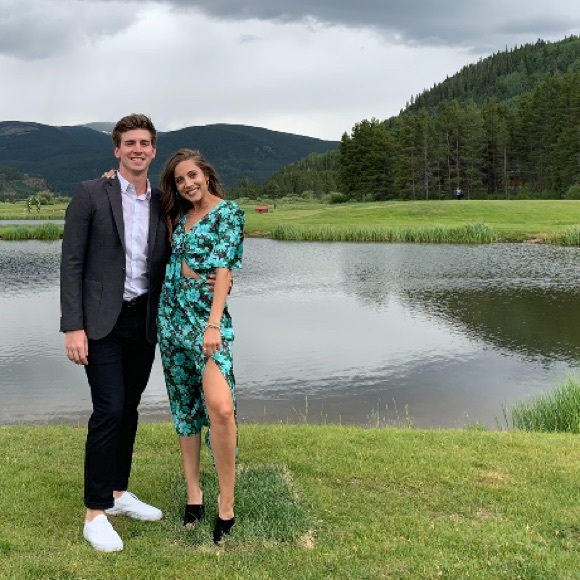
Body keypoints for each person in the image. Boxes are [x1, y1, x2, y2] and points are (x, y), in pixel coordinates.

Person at [60, 114, 170, 552]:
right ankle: (95, 513)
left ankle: (118, 492)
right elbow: (71, 263)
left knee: (129, 408)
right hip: (101, 322)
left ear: (154, 150)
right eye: (130, 143)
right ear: (117, 150)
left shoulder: (164, 201)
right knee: (109, 408)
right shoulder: (91, 193)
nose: (137, 149)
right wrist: (73, 326)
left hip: (143, 321)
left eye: (144, 143)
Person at [157, 149, 245, 545]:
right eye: (179, 180)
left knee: (221, 407)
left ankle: (226, 503)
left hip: (206, 322)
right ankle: (194, 494)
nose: (187, 184)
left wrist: (213, 323)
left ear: (206, 174)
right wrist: (111, 178)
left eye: (192, 175)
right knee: (185, 408)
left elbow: (224, 268)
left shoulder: (229, 213)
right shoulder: (178, 217)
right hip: (170, 319)